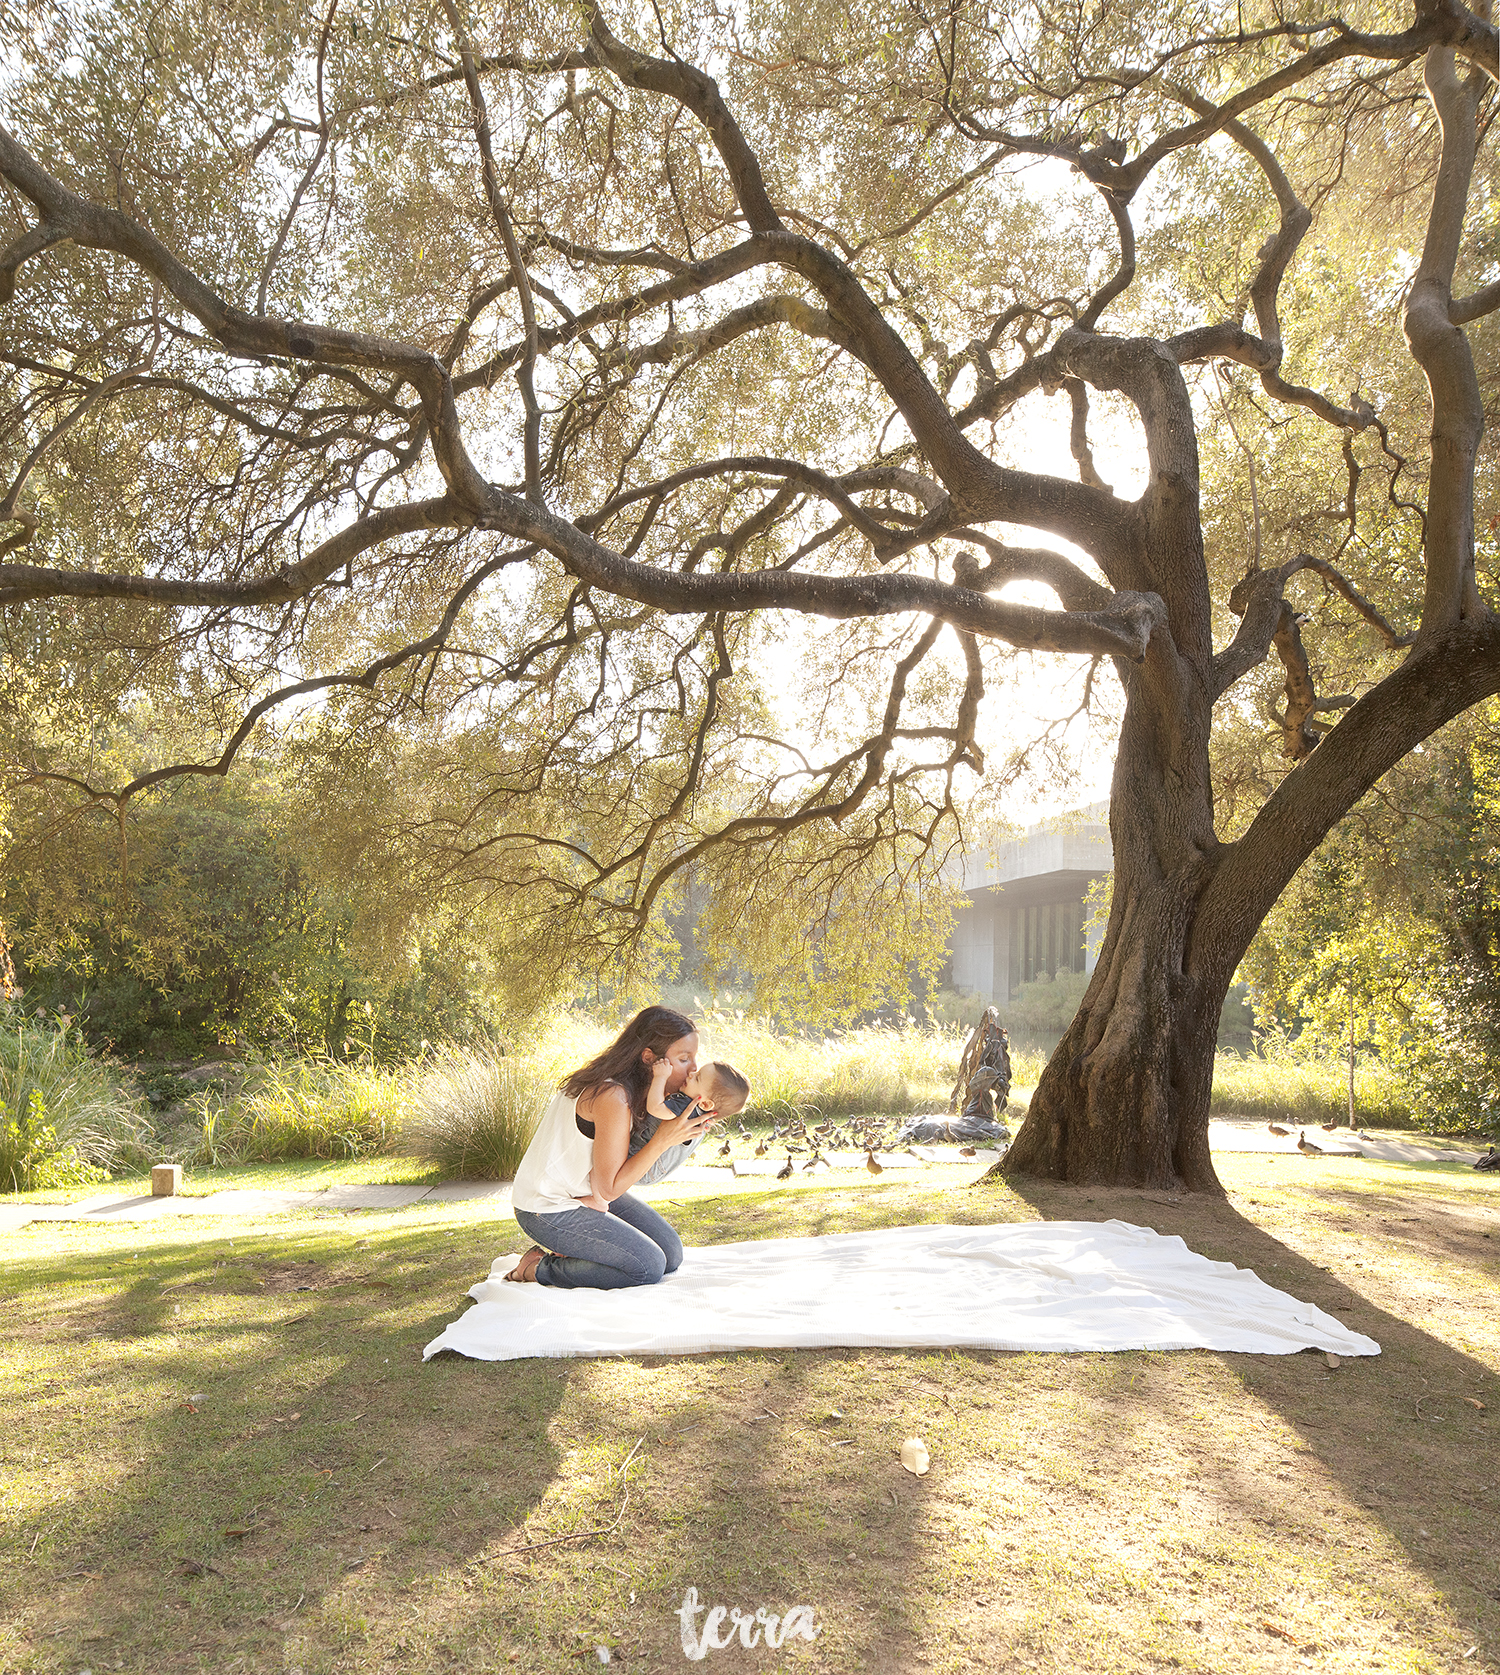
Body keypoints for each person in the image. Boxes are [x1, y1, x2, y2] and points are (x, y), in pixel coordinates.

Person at [505, 1007, 749, 1288]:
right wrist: (661, 1141)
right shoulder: (613, 1096)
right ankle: (537, 1268)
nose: (693, 1068)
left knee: (670, 1253)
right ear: (649, 1058)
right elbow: (608, 1188)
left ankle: (582, 1247)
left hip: (585, 1191)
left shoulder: (641, 1094)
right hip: (546, 1206)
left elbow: (618, 1180)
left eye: (694, 1058)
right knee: (648, 1266)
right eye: (684, 1059)